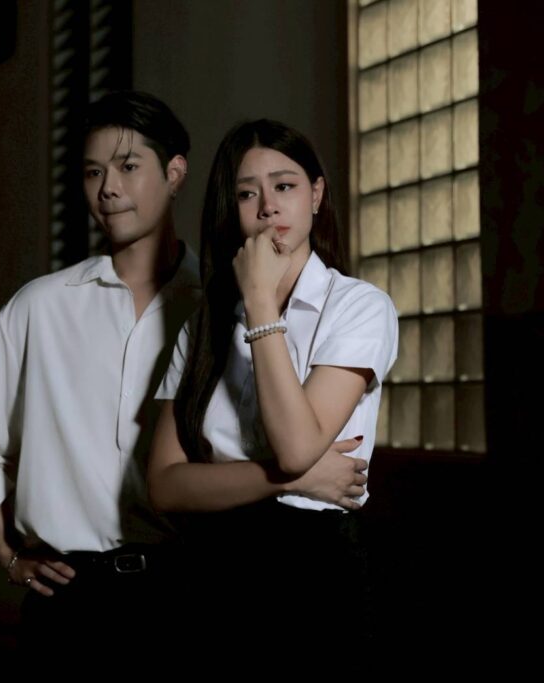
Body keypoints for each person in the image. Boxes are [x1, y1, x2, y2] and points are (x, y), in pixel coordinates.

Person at [0, 95, 364, 645]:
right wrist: (8, 553)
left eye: (127, 166)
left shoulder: (220, 309)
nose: (108, 188)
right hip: (70, 592)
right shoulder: (39, 307)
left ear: (175, 173)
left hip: (191, 586)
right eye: (93, 172)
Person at [148, 119, 399, 642]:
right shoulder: (203, 325)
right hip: (209, 568)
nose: (268, 206)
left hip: (314, 570)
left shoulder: (359, 307)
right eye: (247, 193)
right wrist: (292, 480)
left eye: (284, 186)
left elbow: (296, 446)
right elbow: (165, 485)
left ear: (316, 195)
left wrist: (260, 301)